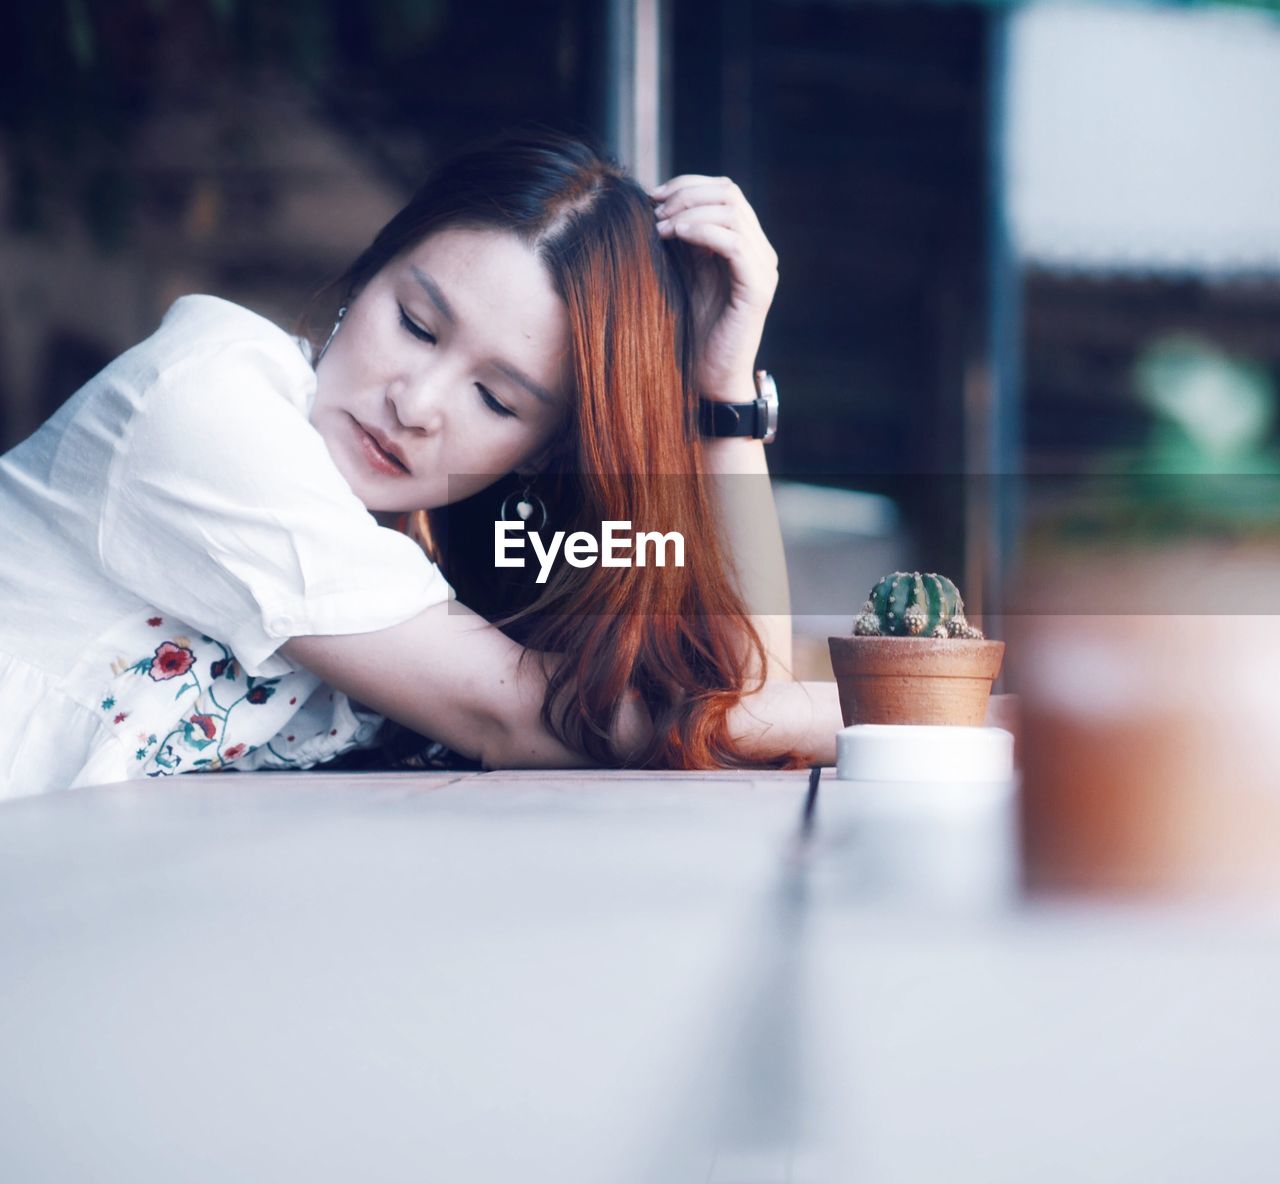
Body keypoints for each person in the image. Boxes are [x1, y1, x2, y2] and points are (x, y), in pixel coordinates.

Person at [0, 132, 841, 798]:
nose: (418, 402)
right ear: (366, 275)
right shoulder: (207, 403)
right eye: (416, 323)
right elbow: (536, 717)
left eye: (498, 401)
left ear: (541, 449)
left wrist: (722, 393)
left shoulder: (410, 547)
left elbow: (738, 683)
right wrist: (915, 723)